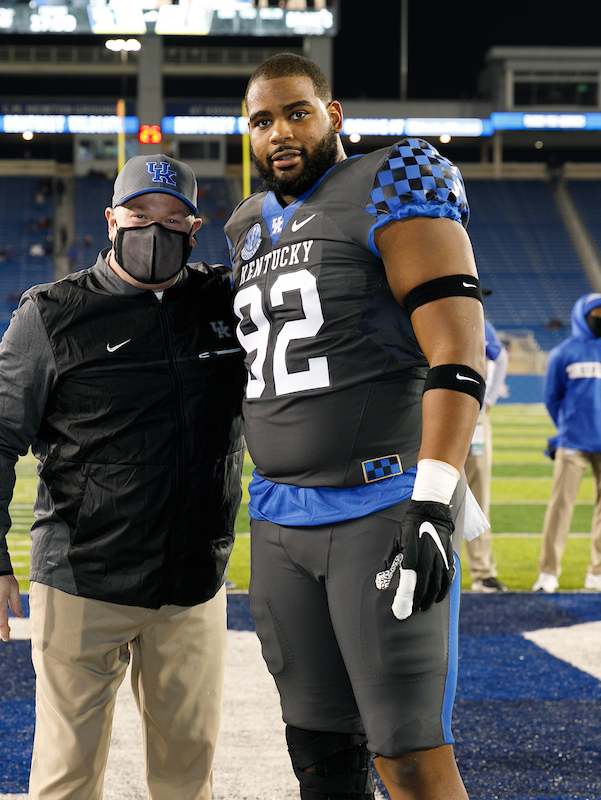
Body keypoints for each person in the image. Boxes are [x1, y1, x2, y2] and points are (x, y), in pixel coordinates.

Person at [225, 53, 486, 800]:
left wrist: (434, 499)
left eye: (297, 112)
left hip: (379, 508)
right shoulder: (246, 226)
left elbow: (457, 353)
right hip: (277, 520)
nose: (279, 132)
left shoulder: (392, 180)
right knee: (319, 754)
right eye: (262, 119)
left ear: (333, 115)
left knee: (407, 754)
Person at [0, 154, 245, 800]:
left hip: (192, 584)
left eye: (173, 219)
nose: (156, 230)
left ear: (195, 228)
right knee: (67, 774)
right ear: (111, 220)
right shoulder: (53, 314)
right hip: (83, 579)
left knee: (188, 772)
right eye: (141, 215)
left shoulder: (223, 302)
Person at [533, 294, 601, 593]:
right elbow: (552, 397)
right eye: (598, 311)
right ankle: (548, 573)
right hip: (573, 442)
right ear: (582, 314)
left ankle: (599, 572)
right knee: (559, 508)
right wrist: (568, 426)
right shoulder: (564, 352)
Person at [466, 318, 510, 592]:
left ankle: (483, 572)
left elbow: (500, 357)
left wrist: (488, 400)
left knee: (478, 494)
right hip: (427, 413)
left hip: (471, 416)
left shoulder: (482, 323)